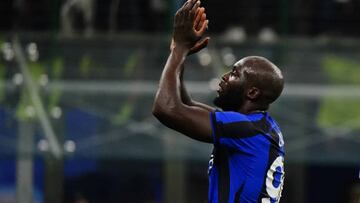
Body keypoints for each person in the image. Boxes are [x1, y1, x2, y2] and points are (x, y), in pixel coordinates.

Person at [152, 0, 285, 202]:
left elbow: (166, 108)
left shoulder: (246, 129)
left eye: (234, 73)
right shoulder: (259, 127)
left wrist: (179, 48)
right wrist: (179, 54)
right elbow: (184, 104)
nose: (224, 77)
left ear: (252, 92)